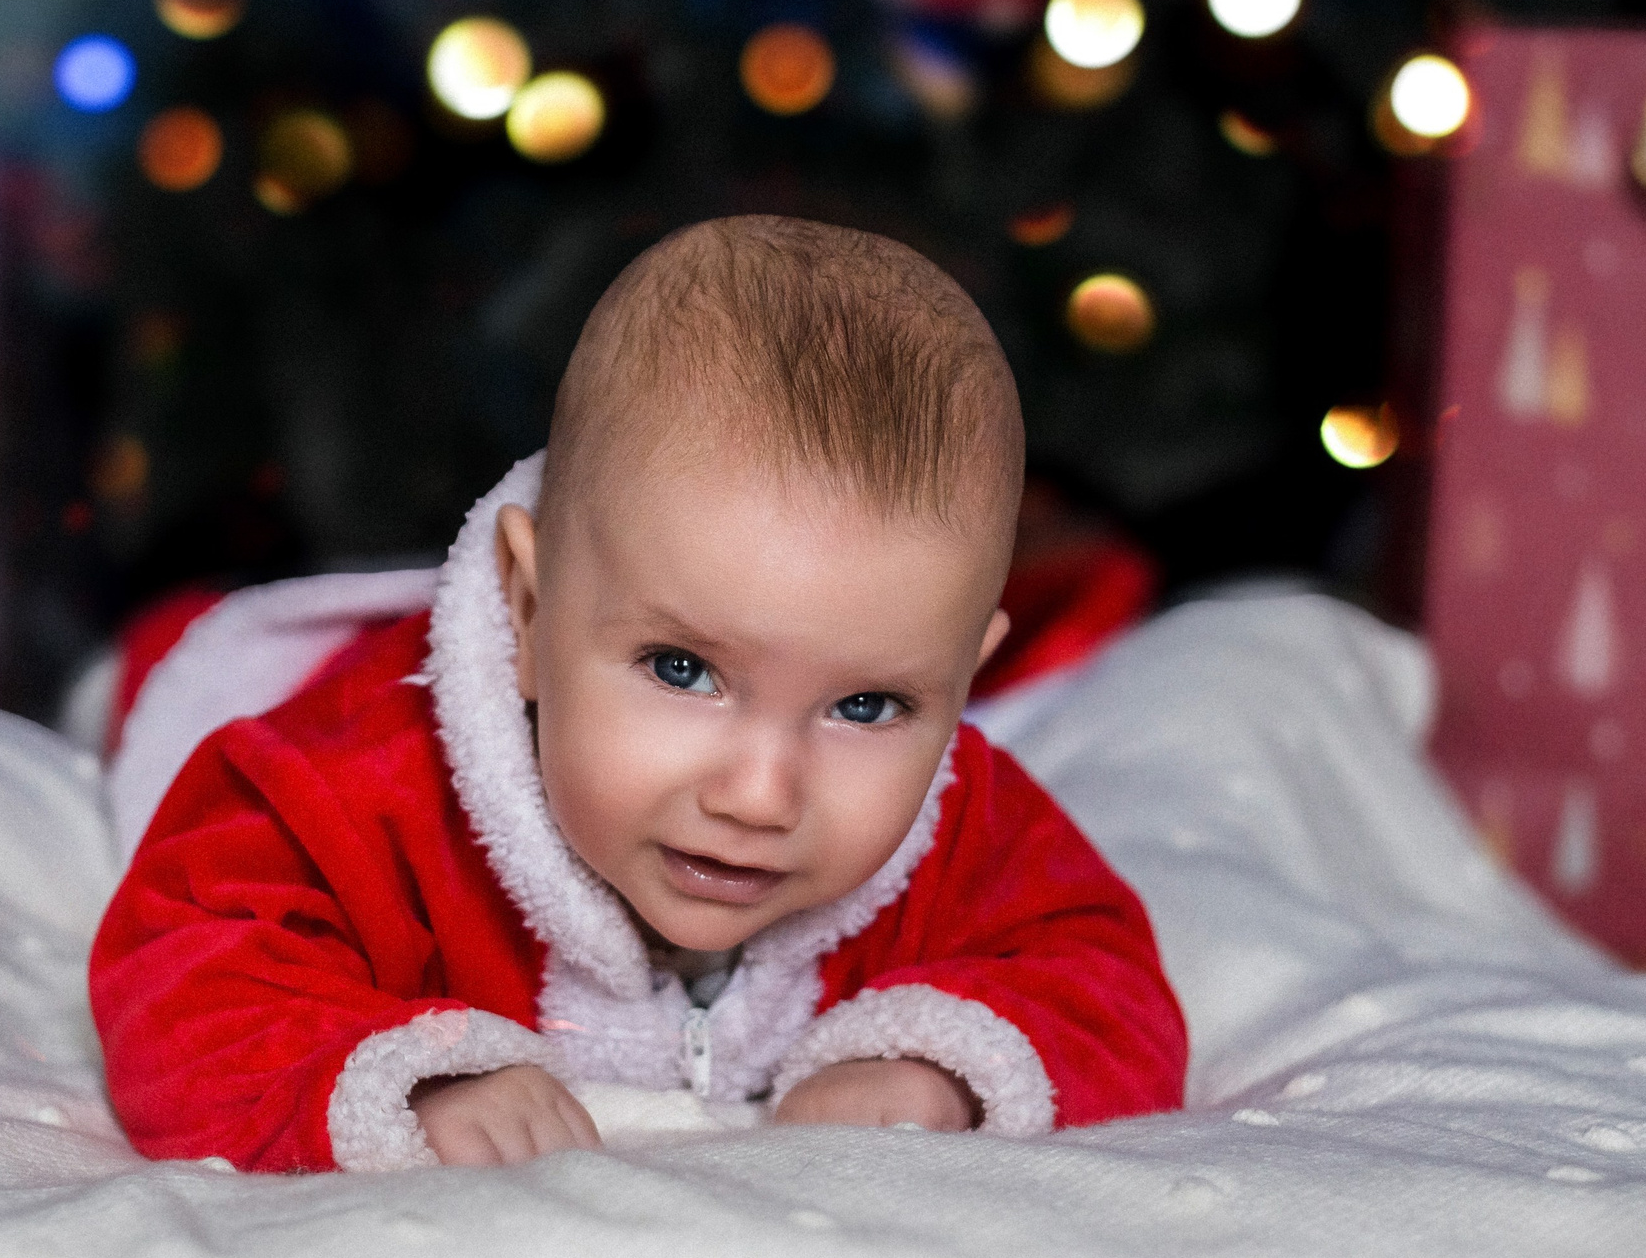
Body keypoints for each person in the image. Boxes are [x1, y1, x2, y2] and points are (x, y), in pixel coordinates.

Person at [89, 216, 1187, 1171]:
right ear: (524, 613)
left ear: (963, 675)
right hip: (300, 670)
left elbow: (1104, 981)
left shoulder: (957, 818)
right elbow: (184, 970)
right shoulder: (356, 790)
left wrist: (940, 1065)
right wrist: (410, 1077)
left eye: (865, 706)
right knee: (158, 674)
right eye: (682, 669)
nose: (761, 794)